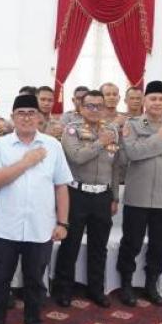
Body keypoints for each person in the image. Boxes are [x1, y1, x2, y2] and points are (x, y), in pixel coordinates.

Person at [0, 94, 72, 324]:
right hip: (5, 227)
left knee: (35, 281)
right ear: (13, 117)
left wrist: (63, 223)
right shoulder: (1, 145)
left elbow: (61, 186)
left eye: (32, 112)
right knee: (0, 280)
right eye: (21, 113)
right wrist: (26, 162)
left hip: (40, 228)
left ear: (40, 117)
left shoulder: (53, 145)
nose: (27, 117)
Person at [117, 80, 162, 307]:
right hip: (137, 197)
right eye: (153, 98)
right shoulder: (132, 125)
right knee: (131, 243)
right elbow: (133, 153)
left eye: (161, 99)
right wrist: (160, 137)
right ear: (144, 101)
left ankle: (151, 285)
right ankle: (126, 284)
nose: (157, 102)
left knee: (159, 245)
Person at [53, 90, 120, 308]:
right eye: (89, 106)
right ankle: (64, 289)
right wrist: (100, 142)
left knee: (99, 246)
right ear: (81, 108)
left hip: (103, 195)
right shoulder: (71, 130)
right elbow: (77, 157)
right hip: (77, 194)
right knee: (70, 244)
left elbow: (115, 167)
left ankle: (96, 289)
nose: (94, 110)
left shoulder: (112, 130)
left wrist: (115, 196)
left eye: (99, 106)